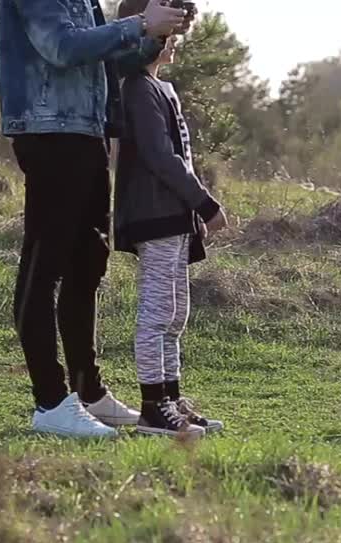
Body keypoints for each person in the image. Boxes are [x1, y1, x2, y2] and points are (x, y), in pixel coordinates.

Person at [0, 0, 190, 438]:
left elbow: (111, 58)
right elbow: (61, 48)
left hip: (87, 132)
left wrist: (158, 33)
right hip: (48, 133)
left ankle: (87, 391)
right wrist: (139, 22)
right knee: (43, 269)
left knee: (86, 266)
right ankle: (50, 401)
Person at [114, 0, 229, 437]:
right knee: (157, 312)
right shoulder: (137, 88)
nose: (174, 43)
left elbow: (182, 156)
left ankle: (171, 397)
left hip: (174, 217)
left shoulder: (165, 88)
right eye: (167, 35)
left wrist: (190, 211)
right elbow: (162, 158)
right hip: (152, 215)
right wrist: (204, 203)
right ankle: (151, 407)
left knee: (176, 313)